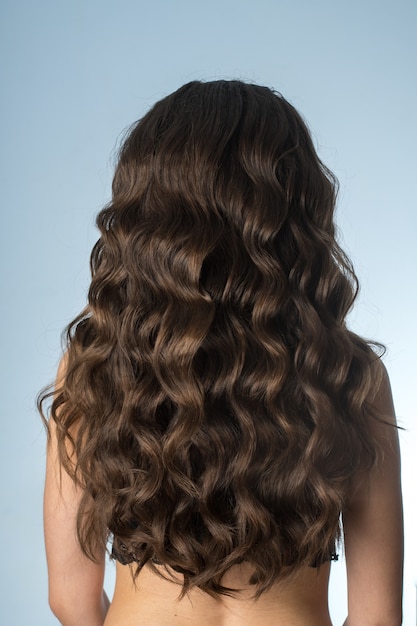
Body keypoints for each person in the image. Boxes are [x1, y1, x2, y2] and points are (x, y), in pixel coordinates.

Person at [39, 80, 403, 626]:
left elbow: (70, 601)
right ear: (295, 210)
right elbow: (378, 618)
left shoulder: (95, 366)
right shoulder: (348, 373)